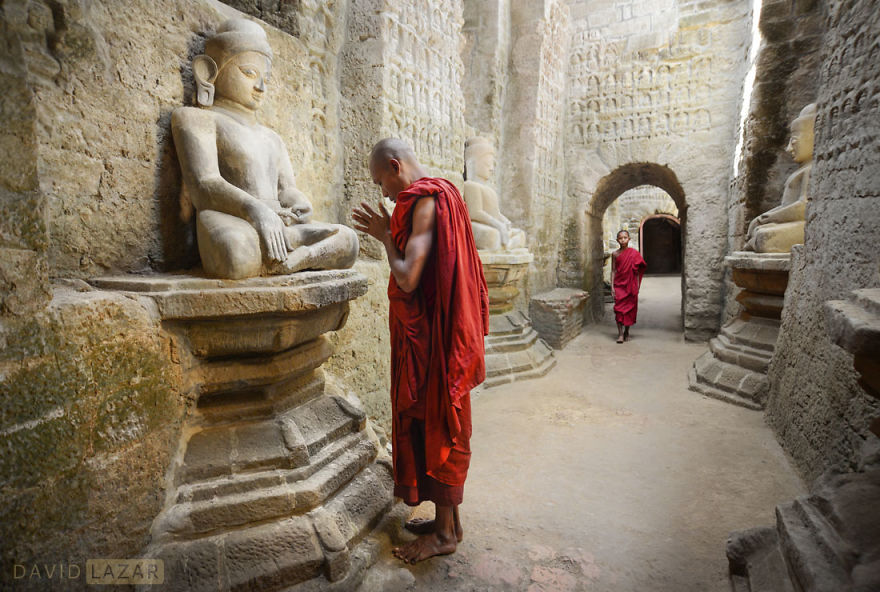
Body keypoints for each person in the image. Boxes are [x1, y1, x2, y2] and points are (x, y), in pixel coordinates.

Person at [352, 138, 489, 564]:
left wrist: (382, 237)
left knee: (440, 423)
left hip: (435, 344)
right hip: (435, 335)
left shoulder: (427, 202)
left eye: (382, 182)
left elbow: (409, 277)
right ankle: (449, 522)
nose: (385, 194)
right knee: (435, 422)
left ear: (396, 166)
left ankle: (444, 535)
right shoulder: (442, 194)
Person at [172, 18, 358, 279]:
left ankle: (296, 260)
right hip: (234, 220)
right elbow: (204, 184)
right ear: (209, 72)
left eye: (265, 79)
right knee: (236, 255)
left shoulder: (272, 138)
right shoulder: (196, 119)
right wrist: (255, 210)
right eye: (248, 73)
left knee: (348, 240)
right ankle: (283, 257)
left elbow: (286, 188)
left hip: (280, 223)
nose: (260, 87)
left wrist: (298, 202)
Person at [611, 230, 646, 343]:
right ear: (617, 240)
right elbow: (613, 271)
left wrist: (637, 286)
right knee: (619, 310)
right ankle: (620, 334)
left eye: (625, 237)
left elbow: (640, 268)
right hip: (619, 285)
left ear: (629, 239)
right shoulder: (615, 254)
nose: (623, 240)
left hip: (630, 286)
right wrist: (612, 287)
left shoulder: (634, 253)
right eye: (620, 238)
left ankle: (627, 331)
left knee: (629, 310)